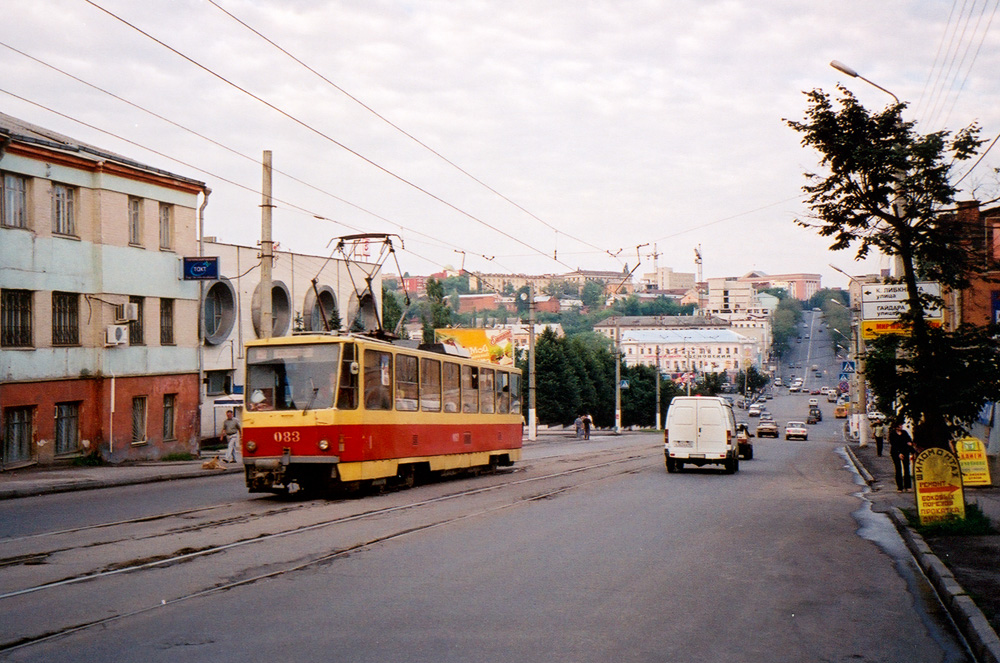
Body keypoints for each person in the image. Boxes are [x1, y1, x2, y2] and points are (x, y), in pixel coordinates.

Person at [888, 423, 913, 492]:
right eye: (899, 426)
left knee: (906, 469)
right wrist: (899, 453)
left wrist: (910, 444)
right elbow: (893, 444)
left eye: (901, 425)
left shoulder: (904, 433)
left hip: (905, 452)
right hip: (895, 453)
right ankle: (900, 487)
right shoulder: (893, 434)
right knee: (898, 469)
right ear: (896, 427)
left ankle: (908, 486)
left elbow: (909, 440)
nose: (901, 427)